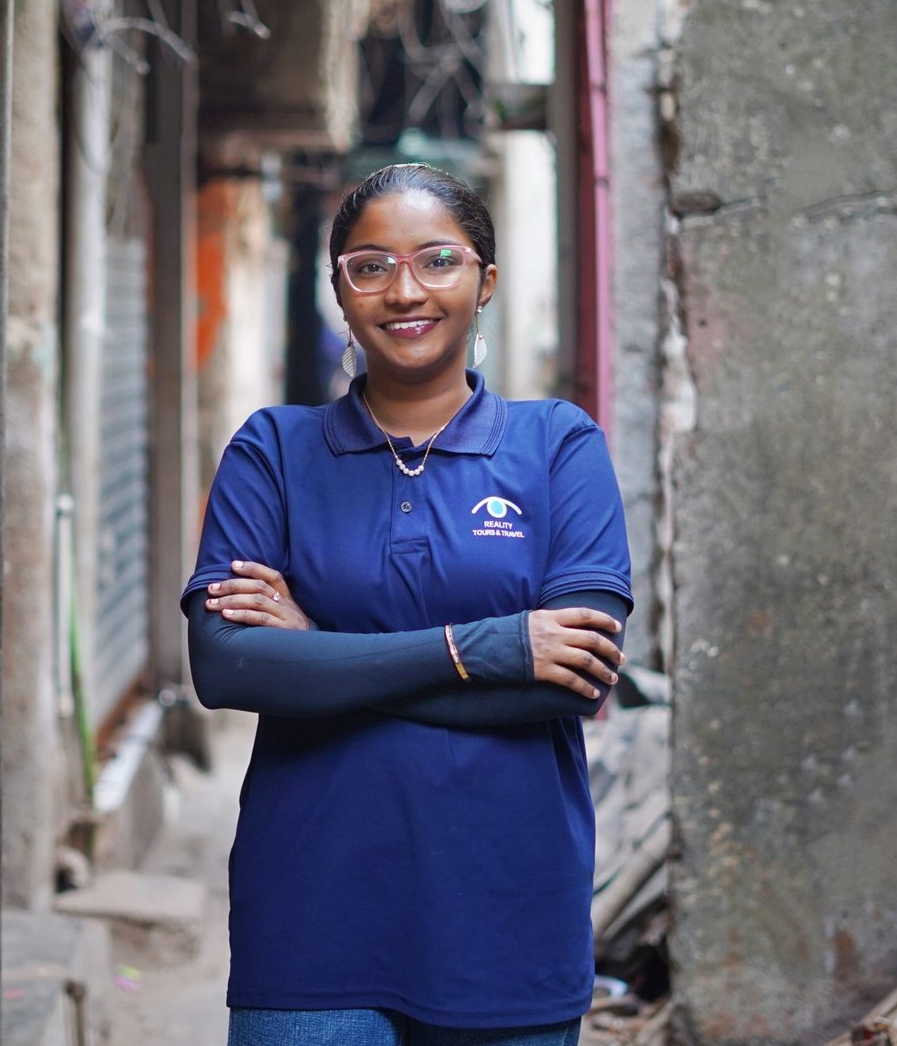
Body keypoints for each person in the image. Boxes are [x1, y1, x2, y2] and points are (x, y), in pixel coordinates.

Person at [181, 162, 634, 1046]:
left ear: (486, 280)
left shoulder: (558, 445)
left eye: (437, 260)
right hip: (311, 918)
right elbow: (227, 663)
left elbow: (572, 678)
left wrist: (319, 652)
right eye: (370, 266)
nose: (406, 291)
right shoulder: (275, 450)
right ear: (340, 292)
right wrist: (482, 648)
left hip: (508, 916)